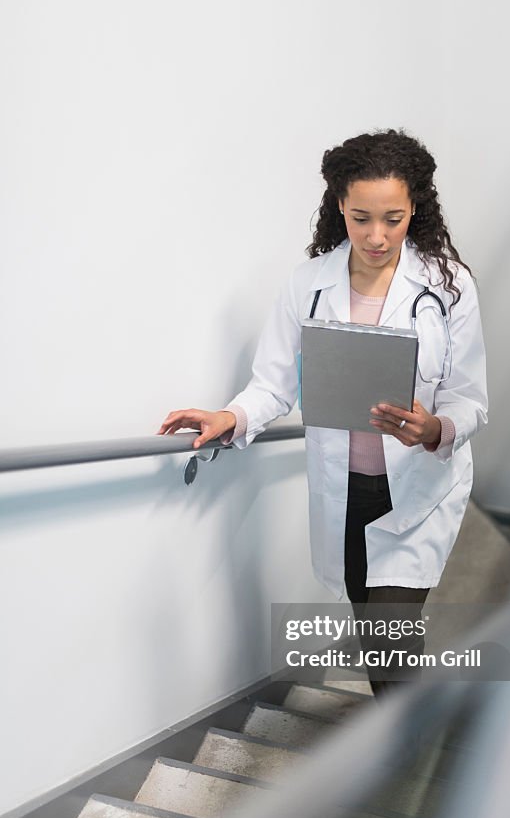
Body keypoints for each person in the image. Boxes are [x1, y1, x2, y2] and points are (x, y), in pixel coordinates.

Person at [158, 129, 488, 696]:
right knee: (376, 637)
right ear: (340, 205)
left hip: (418, 490)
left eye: (394, 218)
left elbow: (469, 398)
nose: (377, 236)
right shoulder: (308, 285)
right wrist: (230, 418)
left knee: (390, 640)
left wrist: (436, 427)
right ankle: (404, 735)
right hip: (347, 494)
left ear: (416, 208)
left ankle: (403, 750)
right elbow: (272, 384)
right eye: (361, 218)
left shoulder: (448, 285)